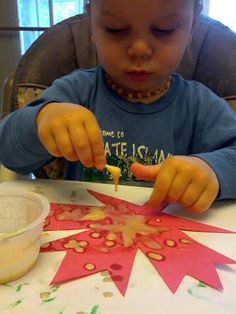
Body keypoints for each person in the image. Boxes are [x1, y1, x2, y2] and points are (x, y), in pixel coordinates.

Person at [0, 0, 236, 214]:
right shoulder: (75, 92)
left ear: (192, 26)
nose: (139, 49)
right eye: (116, 29)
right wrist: (42, 121)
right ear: (92, 23)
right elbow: (8, 153)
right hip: (82, 236)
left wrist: (212, 170)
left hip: (170, 244)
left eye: (165, 30)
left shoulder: (201, 107)